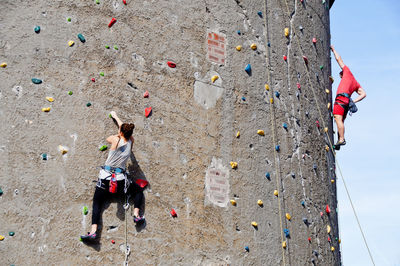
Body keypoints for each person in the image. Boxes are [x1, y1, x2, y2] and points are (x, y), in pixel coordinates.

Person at [81, 111, 144, 241]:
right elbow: (124, 130)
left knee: (97, 203)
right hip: (120, 182)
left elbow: (108, 138)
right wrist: (116, 117)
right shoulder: (131, 141)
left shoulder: (115, 140)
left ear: (120, 132)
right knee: (138, 191)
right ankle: (136, 214)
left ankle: (93, 232)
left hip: (105, 179)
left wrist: (117, 133)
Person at [331, 45, 366, 150]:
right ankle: (339, 140)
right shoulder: (355, 82)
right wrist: (353, 101)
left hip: (341, 99)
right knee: (340, 120)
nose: (340, 76)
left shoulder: (346, 71)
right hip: (347, 102)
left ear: (342, 73)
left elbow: (339, 59)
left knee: (337, 118)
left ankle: (341, 139)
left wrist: (333, 49)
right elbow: (363, 94)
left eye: (340, 75)